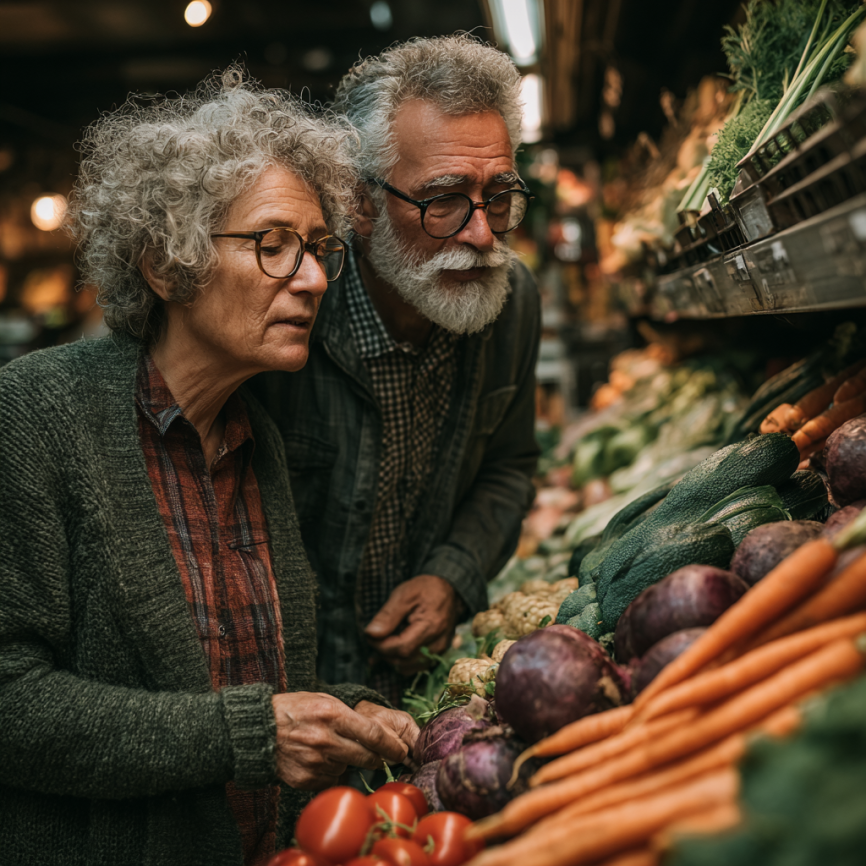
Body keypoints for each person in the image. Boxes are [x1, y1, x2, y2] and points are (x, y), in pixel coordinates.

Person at [0, 70, 417, 866]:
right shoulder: (33, 415)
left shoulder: (256, 439)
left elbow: (248, 686)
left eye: (319, 248)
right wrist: (252, 734)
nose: (316, 277)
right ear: (166, 265)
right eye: (273, 245)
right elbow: (9, 700)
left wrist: (351, 716)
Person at [250, 35, 540, 704]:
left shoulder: (512, 303)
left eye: (499, 196)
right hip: (286, 698)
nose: (482, 235)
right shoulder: (289, 311)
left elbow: (509, 467)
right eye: (443, 201)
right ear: (358, 201)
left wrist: (453, 573)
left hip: (424, 689)